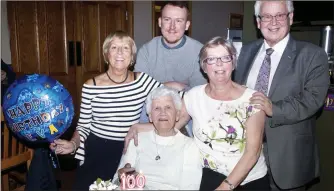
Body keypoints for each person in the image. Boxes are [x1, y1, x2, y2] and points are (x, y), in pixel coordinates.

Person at [125, 37, 270, 190]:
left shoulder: (252, 99)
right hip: (209, 176)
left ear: (233, 63)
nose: (219, 64)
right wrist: (138, 127)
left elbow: (252, 153)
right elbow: (171, 125)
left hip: (249, 181)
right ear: (204, 66)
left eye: (225, 58)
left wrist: (225, 187)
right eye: (212, 59)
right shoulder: (193, 96)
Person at [49, 31, 164, 191]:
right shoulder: (91, 85)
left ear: (132, 57)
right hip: (98, 150)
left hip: (129, 150)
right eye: (114, 47)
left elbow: (172, 101)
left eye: (125, 48)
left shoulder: (142, 81)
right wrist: (73, 145)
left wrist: (150, 126)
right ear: (106, 54)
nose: (119, 52)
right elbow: (83, 126)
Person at [234, 1, 330, 190]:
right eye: (267, 16)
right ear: (258, 21)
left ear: (291, 18)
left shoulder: (312, 55)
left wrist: (273, 108)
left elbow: (313, 100)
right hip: (245, 154)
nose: (273, 22)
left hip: (288, 157)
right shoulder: (244, 52)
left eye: (279, 15)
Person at [134, 1, 207, 136]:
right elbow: (140, 91)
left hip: (186, 115)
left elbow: (199, 94)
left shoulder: (200, 52)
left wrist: (158, 87)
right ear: (160, 22)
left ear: (187, 25)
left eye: (178, 21)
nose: (172, 27)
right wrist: (173, 85)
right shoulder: (146, 51)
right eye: (167, 20)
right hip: (151, 112)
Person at [112, 87, 202, 190]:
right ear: (150, 116)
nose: (162, 112)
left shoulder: (189, 146)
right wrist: (122, 177)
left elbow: (190, 187)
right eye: (157, 108)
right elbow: (116, 181)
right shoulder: (137, 139)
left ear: (177, 115)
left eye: (168, 107)